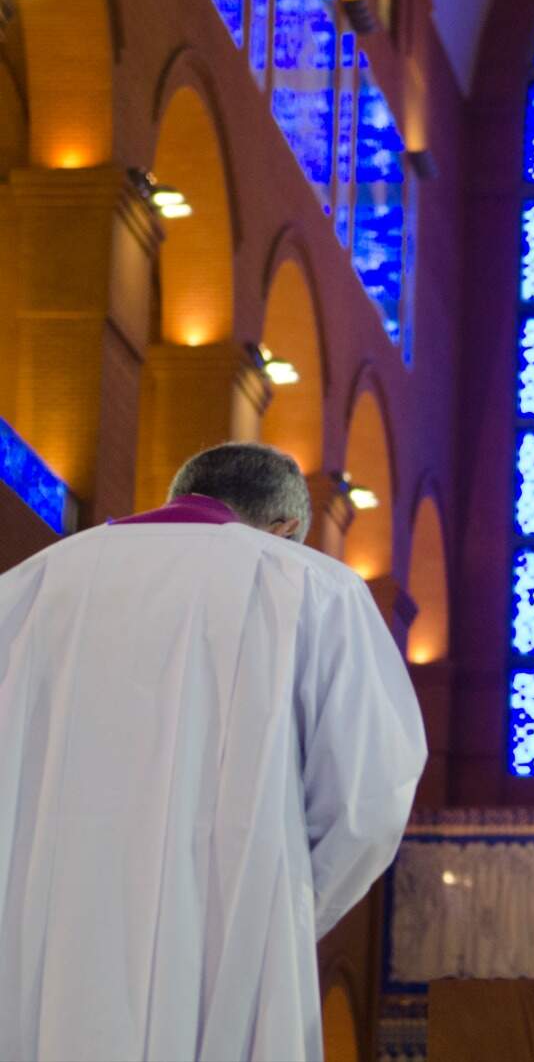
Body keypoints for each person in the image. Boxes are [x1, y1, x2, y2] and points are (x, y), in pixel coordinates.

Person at [0, 442, 427, 1062]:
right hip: (227, 941)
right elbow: (370, 800)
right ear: (284, 530)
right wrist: (283, 905)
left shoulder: (28, 585)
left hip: (39, 939)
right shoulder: (311, 584)